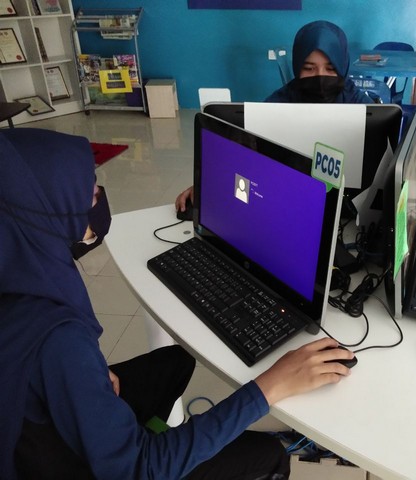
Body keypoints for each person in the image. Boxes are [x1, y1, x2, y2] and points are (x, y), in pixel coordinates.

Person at [0, 128, 356, 480]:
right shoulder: (60, 339)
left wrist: (85, 376)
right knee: (268, 454)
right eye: (91, 194)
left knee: (176, 360)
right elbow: (139, 470)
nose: (101, 198)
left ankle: (162, 438)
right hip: (111, 467)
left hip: (44, 429)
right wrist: (270, 386)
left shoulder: (22, 267)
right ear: (48, 211)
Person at [175, 20, 372, 214]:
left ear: (342, 66)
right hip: (290, 202)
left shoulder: (360, 104)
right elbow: (244, 150)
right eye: (309, 68)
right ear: (297, 67)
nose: (320, 77)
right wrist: (207, 184)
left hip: (350, 208)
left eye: (330, 68)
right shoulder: (278, 102)